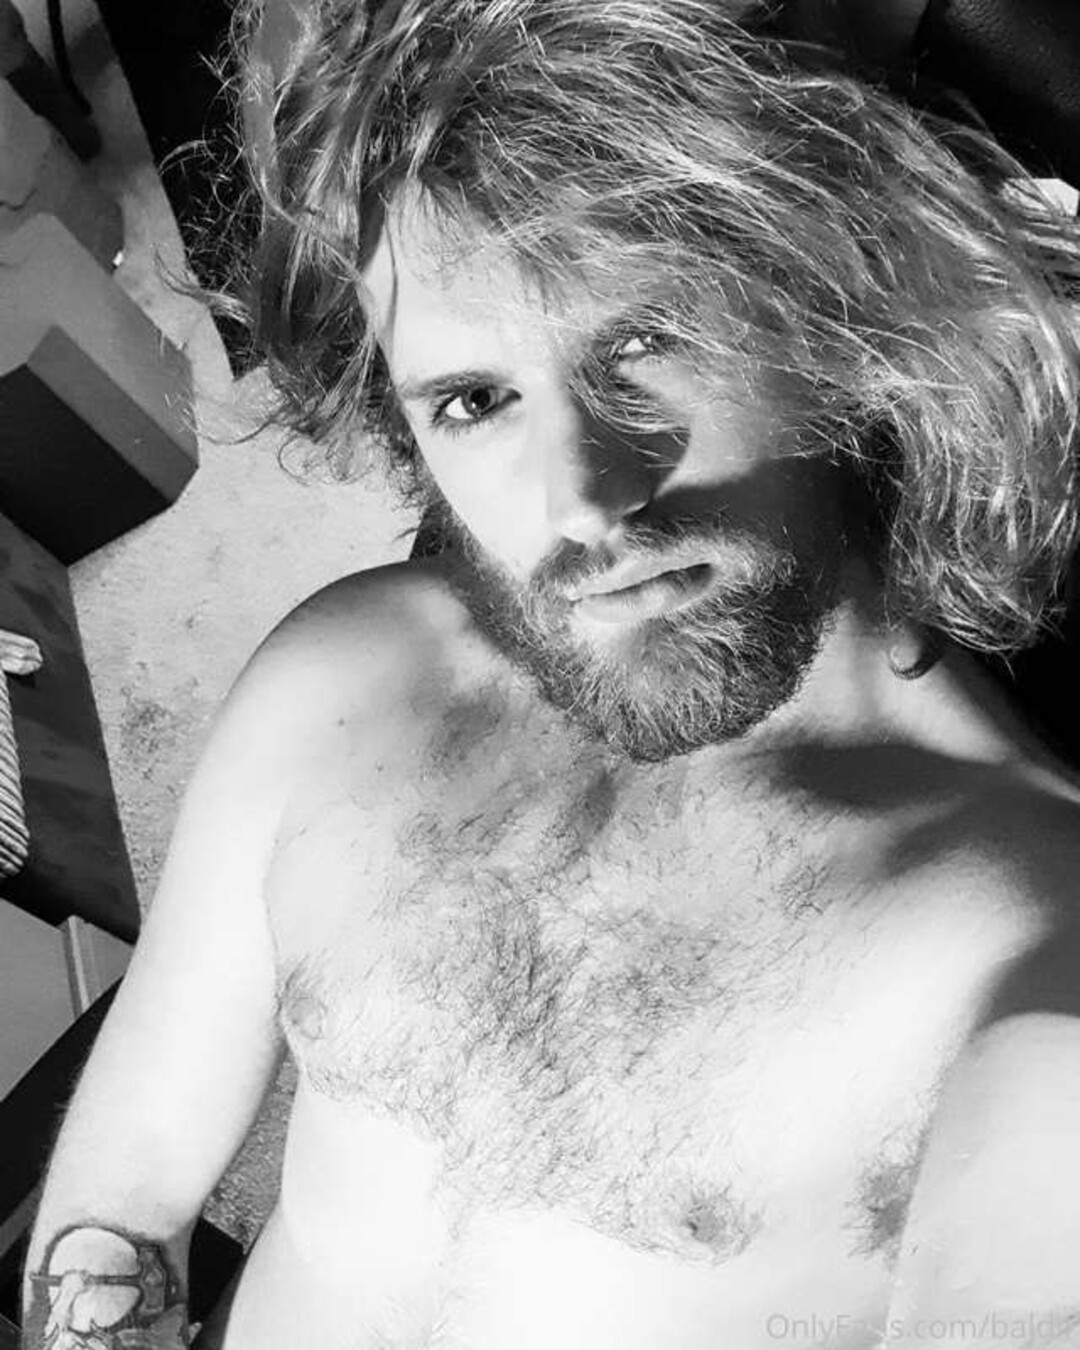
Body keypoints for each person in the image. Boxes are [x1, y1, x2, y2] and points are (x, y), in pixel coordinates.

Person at [22, 1, 1080, 1346]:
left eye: (644, 340)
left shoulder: (1026, 947)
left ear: (837, 318)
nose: (580, 496)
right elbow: (125, 1193)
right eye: (474, 400)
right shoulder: (342, 677)